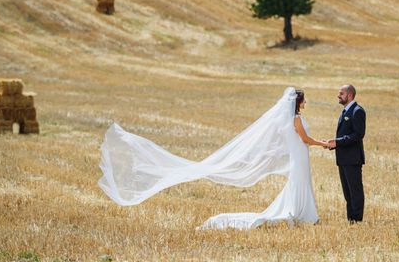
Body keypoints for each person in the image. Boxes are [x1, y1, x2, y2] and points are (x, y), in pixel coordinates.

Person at [98, 87, 327, 229]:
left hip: (299, 157)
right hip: (301, 156)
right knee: (299, 182)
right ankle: (302, 213)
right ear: (298, 102)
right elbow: (305, 139)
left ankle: (302, 212)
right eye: (304, 100)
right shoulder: (295, 120)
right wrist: (324, 143)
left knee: (298, 182)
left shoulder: (285, 120)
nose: (306, 103)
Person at [326, 84, 366, 223]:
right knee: (347, 193)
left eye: (341, 93)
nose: (338, 95)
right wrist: (333, 143)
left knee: (355, 191)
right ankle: (351, 219)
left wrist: (337, 142)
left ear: (349, 95)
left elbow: (358, 135)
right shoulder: (345, 111)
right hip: (343, 159)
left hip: (353, 159)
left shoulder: (357, 111)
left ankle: (357, 220)